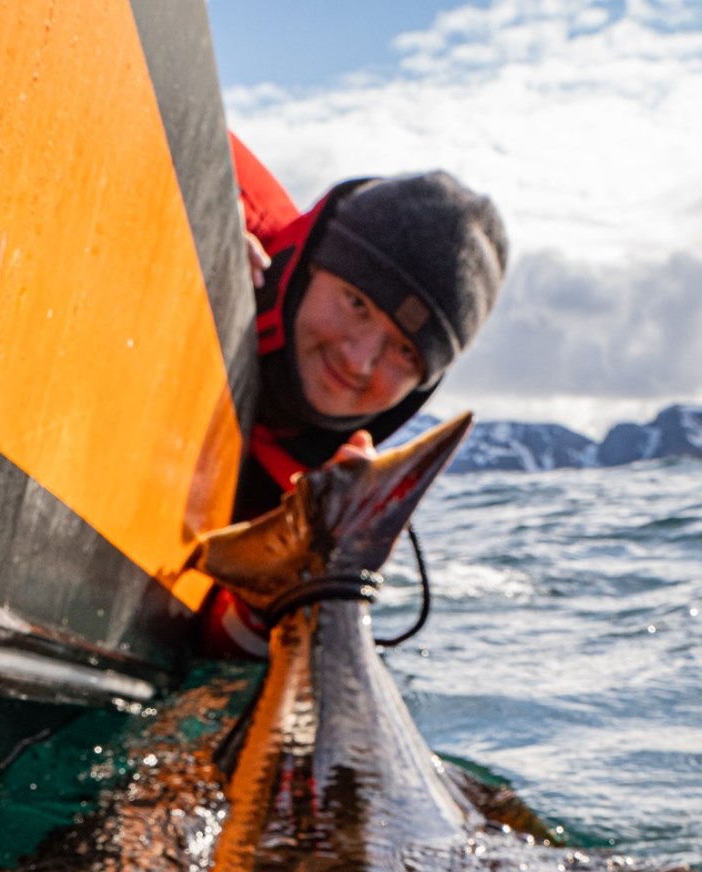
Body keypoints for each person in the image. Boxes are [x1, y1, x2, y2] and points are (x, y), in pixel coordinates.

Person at [202, 136, 509, 656]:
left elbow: (196, 649)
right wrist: (168, 215)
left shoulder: (314, 503)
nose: (359, 359)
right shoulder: (219, 199)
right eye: (357, 303)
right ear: (310, 266)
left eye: (404, 352)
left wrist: (302, 575)